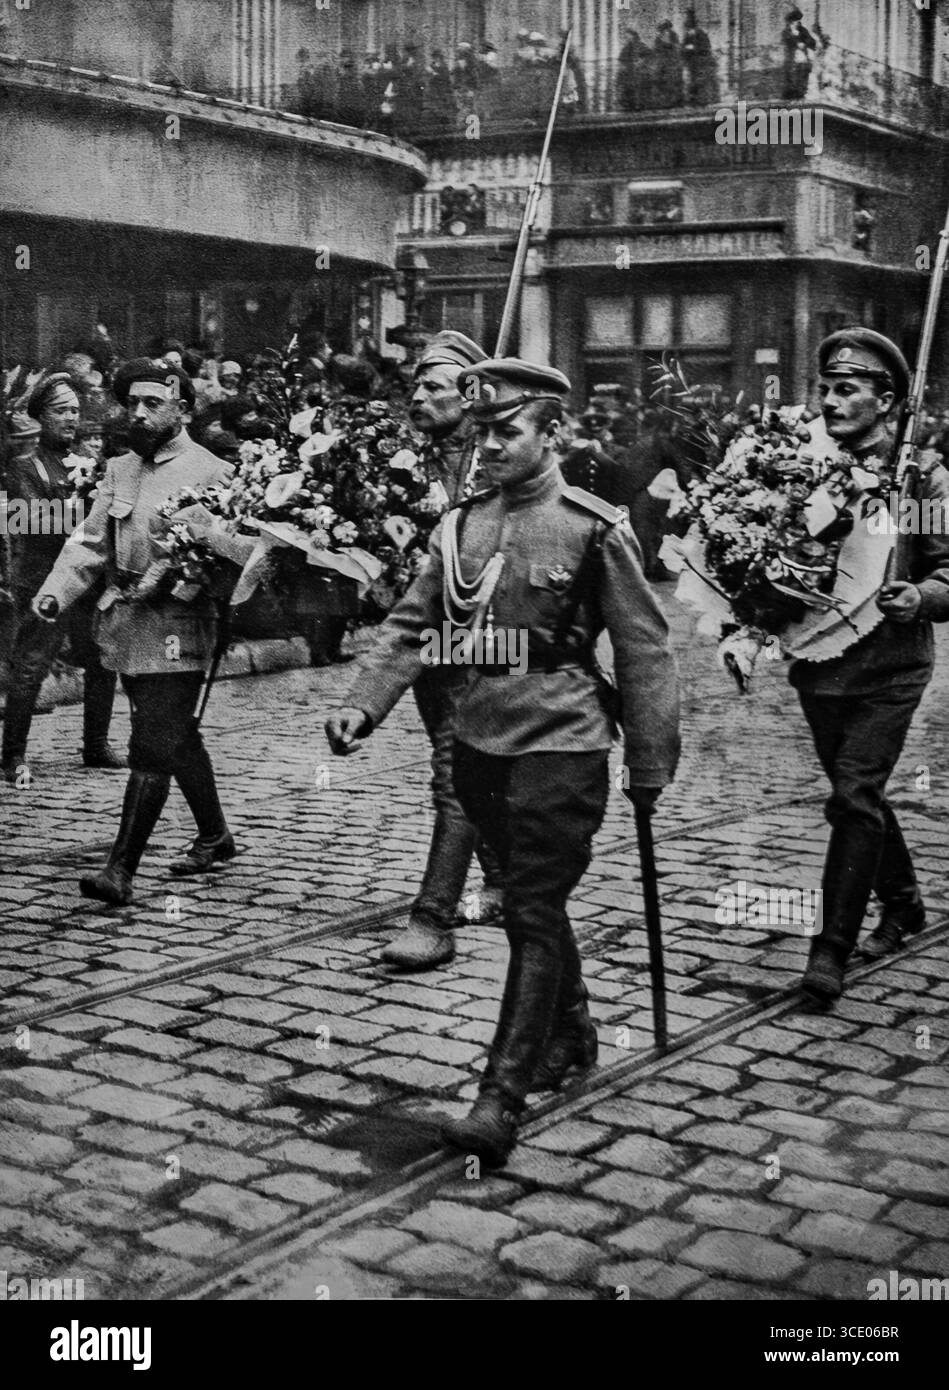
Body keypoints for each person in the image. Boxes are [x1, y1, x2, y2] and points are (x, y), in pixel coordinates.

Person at [326, 357, 680, 1164]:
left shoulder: (593, 525)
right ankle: (574, 1029)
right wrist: (362, 702)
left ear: (551, 432)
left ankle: (499, 1098)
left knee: (527, 908)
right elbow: (415, 625)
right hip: (478, 738)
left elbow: (643, 648)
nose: (485, 446)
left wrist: (651, 762)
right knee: (535, 901)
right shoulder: (462, 524)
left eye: (504, 431)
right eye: (480, 430)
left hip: (563, 738)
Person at [31, 358, 238, 905]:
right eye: (132, 404)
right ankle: (216, 836)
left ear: (184, 409)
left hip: (180, 623)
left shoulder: (214, 472)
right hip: (126, 619)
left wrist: (189, 574)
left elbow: (232, 557)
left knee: (151, 740)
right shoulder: (120, 469)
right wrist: (56, 592)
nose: (138, 414)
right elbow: (88, 541)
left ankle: (120, 871)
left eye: (153, 404)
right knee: (175, 734)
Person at [792, 329, 949, 1002]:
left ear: (886, 401)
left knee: (852, 796)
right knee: (860, 795)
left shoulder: (918, 478)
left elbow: (946, 569)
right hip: (819, 663)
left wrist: (919, 595)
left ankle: (830, 947)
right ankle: (905, 902)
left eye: (846, 389)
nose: (829, 401)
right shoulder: (800, 466)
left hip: (890, 664)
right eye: (824, 387)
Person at [363, 330, 505, 972]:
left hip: (493, 644)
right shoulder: (395, 463)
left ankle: (433, 917)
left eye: (432, 386)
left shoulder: (500, 459)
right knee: (459, 763)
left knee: (454, 772)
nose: (416, 395)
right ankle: (502, 878)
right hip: (428, 643)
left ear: (472, 395)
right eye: (414, 384)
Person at [2, 374, 123, 783]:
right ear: (40, 417)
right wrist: (89, 516)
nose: (71, 418)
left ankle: (96, 745)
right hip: (43, 581)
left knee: (102, 659)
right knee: (30, 667)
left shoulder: (92, 464)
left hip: (87, 579)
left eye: (74, 409)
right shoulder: (24, 466)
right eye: (60, 410)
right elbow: (27, 521)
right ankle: (13, 755)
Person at [682, 9, 718, 104]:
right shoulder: (688, 34)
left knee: (700, 81)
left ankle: (701, 99)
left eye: (689, 25)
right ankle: (694, 99)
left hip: (701, 61)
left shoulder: (700, 33)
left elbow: (705, 46)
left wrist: (692, 48)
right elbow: (684, 47)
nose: (688, 28)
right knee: (692, 80)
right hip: (692, 62)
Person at [781, 7, 817, 101]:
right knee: (791, 76)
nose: (796, 23)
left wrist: (804, 43)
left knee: (802, 76)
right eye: (794, 21)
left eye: (797, 21)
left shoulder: (802, 30)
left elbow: (812, 42)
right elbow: (786, 40)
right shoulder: (786, 32)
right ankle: (791, 95)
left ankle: (801, 94)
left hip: (802, 58)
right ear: (790, 22)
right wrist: (796, 41)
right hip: (792, 58)